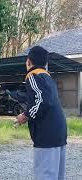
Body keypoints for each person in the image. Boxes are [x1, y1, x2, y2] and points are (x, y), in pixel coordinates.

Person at [16, 46, 67, 180]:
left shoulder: (32, 75)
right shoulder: (48, 77)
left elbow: (41, 100)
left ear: (28, 61)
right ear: (46, 63)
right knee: (56, 176)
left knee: (45, 176)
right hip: (59, 132)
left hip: (46, 134)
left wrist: (25, 116)